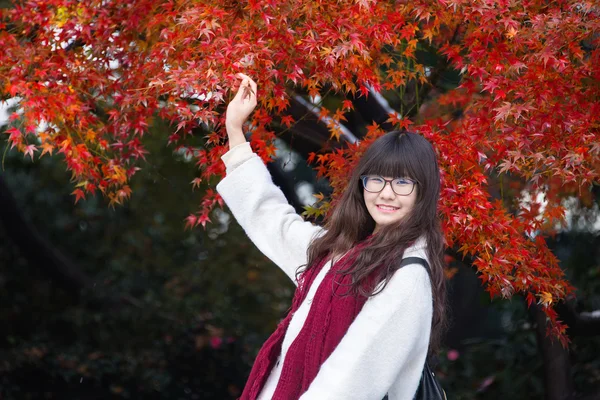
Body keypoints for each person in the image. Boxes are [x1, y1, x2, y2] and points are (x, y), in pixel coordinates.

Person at [216, 73, 447, 400]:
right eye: (377, 180)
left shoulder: (407, 273)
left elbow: (354, 374)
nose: (386, 194)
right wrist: (235, 132)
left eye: (403, 183)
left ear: (423, 192)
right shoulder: (337, 253)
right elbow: (272, 220)